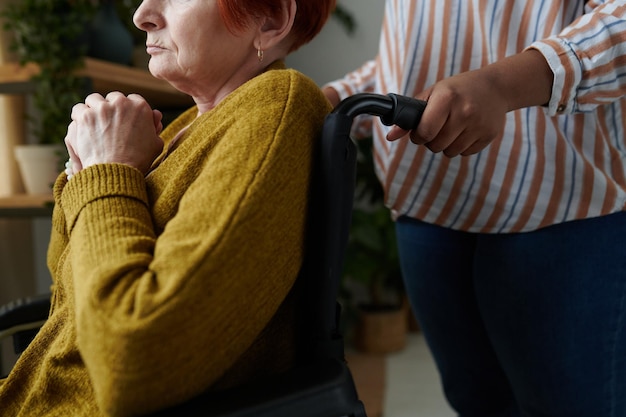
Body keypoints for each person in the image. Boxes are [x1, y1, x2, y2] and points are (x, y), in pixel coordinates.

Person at [0, 0, 336, 415]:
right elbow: (66, 291)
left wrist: (109, 169)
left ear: (271, 20)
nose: (142, 15)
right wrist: (84, 167)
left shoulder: (274, 107)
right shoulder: (189, 124)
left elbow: (133, 361)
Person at [324, 1, 626, 416]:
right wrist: (336, 98)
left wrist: (501, 85)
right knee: (476, 404)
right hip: (426, 206)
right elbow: (420, 48)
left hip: (559, 211)